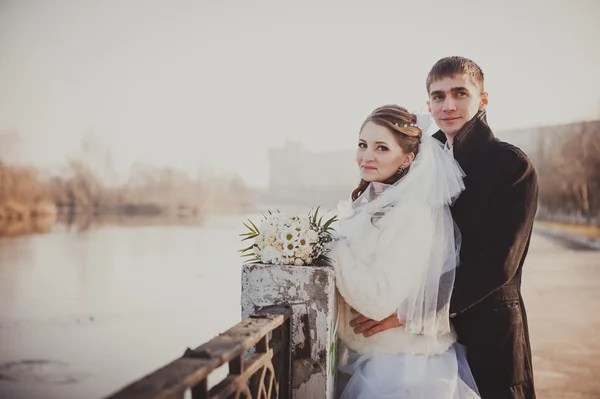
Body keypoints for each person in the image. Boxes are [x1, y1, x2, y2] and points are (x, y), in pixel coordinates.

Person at [329, 104, 481, 398]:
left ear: (407, 158)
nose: (367, 155)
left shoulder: (412, 214)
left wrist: (332, 252)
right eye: (363, 144)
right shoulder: (374, 203)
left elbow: (378, 301)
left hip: (400, 369)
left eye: (382, 148)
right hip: (378, 355)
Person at [426, 56, 539, 399]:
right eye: (438, 96)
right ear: (428, 103)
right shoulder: (420, 162)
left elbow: (498, 263)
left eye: (460, 93)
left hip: (490, 331)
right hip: (427, 342)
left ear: (483, 99)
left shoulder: (510, 165)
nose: (448, 105)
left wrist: (424, 312)